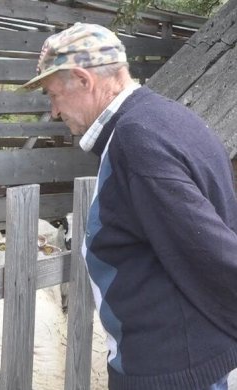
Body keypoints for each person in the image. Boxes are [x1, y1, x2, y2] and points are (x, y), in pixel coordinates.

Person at [23, 22, 237, 390]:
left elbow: (213, 253)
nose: (54, 111)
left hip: (171, 372)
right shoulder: (169, 117)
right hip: (188, 358)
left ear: (82, 79)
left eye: (53, 94)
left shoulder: (135, 142)